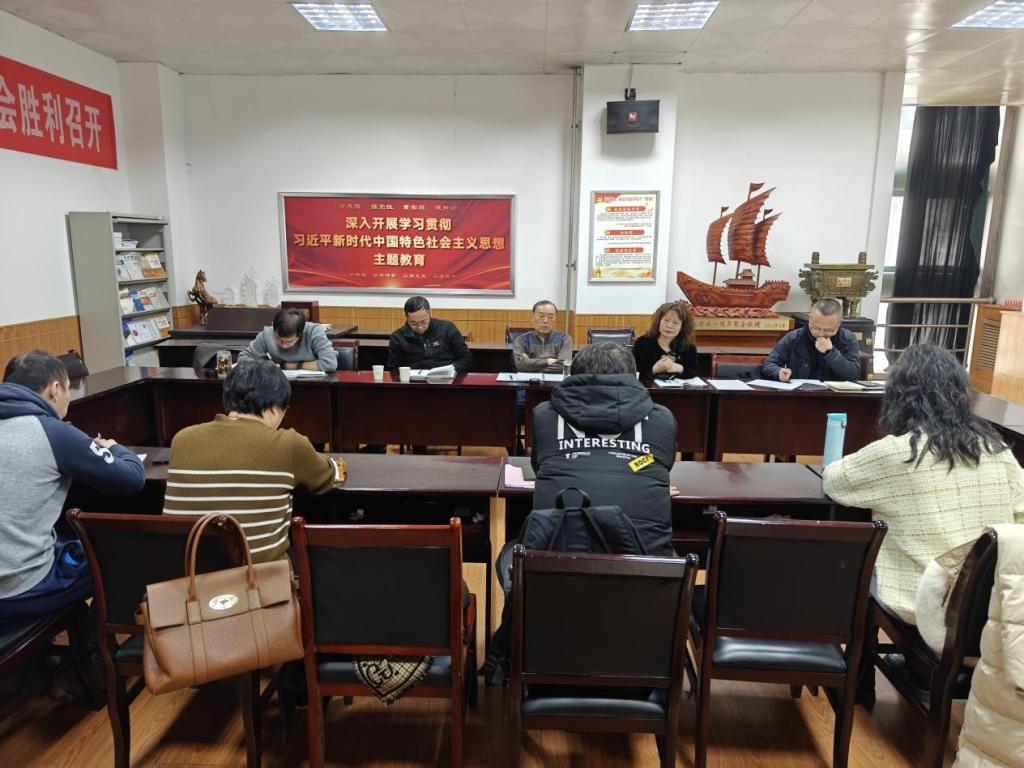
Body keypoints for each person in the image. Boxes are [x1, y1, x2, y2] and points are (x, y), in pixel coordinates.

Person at [823, 343, 1024, 624]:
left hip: (926, 605)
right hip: (994, 607)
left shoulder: (898, 452)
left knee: (851, 566)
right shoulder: (995, 449)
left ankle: (854, 649)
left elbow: (834, 481)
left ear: (898, 397)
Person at [0, 351, 145, 620]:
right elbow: (132, 478)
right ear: (55, 389)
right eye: (68, 388)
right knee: (121, 555)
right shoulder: (52, 432)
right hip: (21, 590)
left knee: (66, 542)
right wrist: (116, 448)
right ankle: (100, 643)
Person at [163, 359, 344, 563]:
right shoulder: (288, 444)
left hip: (188, 575)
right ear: (274, 408)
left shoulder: (182, 439)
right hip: (259, 578)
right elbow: (325, 477)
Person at [531, 342, 677, 556]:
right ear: (633, 376)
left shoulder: (545, 415)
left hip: (556, 566)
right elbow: (657, 464)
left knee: (511, 551)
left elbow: (539, 467)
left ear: (573, 375)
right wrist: (637, 467)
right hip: (644, 567)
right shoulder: (662, 419)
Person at [760, 298, 860, 382]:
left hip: (834, 395)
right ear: (810, 320)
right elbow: (769, 364)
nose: (821, 334)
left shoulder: (847, 339)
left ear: (839, 324)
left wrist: (830, 353)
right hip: (800, 394)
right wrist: (778, 372)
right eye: (816, 328)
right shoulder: (794, 338)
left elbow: (853, 375)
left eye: (828, 330)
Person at [387, 296, 473, 373]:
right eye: (414, 324)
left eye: (423, 322)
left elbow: (466, 358)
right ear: (406, 316)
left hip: (445, 379)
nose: (420, 327)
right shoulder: (398, 337)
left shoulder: (447, 328)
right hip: (413, 381)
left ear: (430, 313)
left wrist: (452, 370)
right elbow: (393, 368)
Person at [238, 308, 337, 373]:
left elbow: (330, 363)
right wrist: (266, 366)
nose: (284, 346)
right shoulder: (267, 334)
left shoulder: (314, 332)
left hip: (313, 384)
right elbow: (243, 358)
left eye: (289, 341)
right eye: (278, 339)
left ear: (300, 334)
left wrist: (295, 365)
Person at [632, 301, 699, 380]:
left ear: (682, 327)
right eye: (666, 320)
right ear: (658, 321)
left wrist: (681, 368)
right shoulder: (642, 343)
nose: (669, 326)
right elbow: (632, 373)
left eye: (675, 322)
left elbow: (697, 375)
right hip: (649, 388)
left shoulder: (689, 348)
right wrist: (654, 370)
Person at [512, 300, 572, 373]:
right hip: (528, 379)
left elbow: (563, 367)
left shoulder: (564, 339)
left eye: (550, 317)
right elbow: (520, 365)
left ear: (555, 319)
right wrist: (548, 361)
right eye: (541, 316)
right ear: (533, 318)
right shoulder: (521, 340)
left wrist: (530, 364)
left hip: (555, 380)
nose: (545, 321)